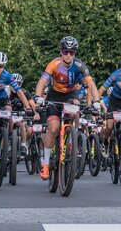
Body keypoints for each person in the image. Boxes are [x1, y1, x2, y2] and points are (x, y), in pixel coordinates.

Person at [34, 37, 101, 179]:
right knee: (52, 129)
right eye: (66, 52)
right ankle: (45, 164)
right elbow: (42, 81)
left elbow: (91, 84)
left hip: (71, 94)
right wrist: (38, 96)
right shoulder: (54, 64)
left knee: (76, 107)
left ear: (75, 53)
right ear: (61, 51)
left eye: (71, 52)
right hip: (54, 96)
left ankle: (72, 137)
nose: (68, 55)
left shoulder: (79, 65)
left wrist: (96, 101)